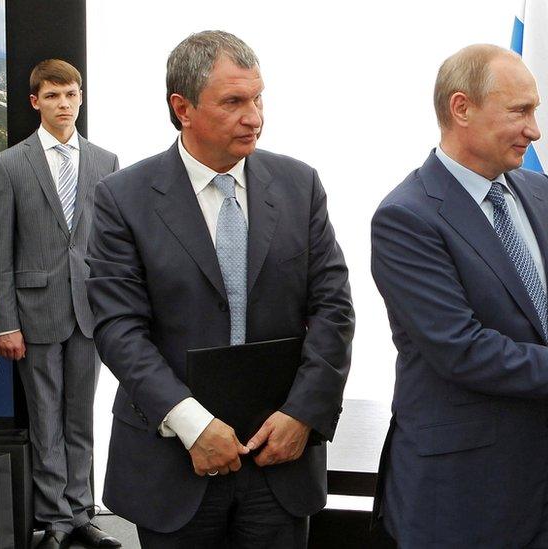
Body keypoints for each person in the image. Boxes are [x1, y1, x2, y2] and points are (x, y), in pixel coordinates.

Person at [370, 44, 548, 547]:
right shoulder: (406, 217)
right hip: (460, 498)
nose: (534, 129)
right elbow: (463, 349)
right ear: (462, 108)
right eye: (520, 111)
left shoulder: (540, 192)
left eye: (536, 110)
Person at [85, 31, 354, 548]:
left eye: (257, 98)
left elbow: (334, 309)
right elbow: (119, 328)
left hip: (281, 460)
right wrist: (191, 424)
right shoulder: (124, 199)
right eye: (233, 101)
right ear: (182, 108)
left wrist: (303, 413)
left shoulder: (301, 186)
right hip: (174, 465)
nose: (253, 116)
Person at [0, 59, 120, 549]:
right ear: (34, 102)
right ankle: (54, 521)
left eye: (70, 94)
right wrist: (5, 324)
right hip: (34, 313)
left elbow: (110, 246)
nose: (63, 104)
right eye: (52, 96)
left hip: (89, 312)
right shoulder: (8, 165)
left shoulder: (106, 162)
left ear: (80, 97)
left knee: (80, 417)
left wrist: (116, 311)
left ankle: (83, 513)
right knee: (45, 420)